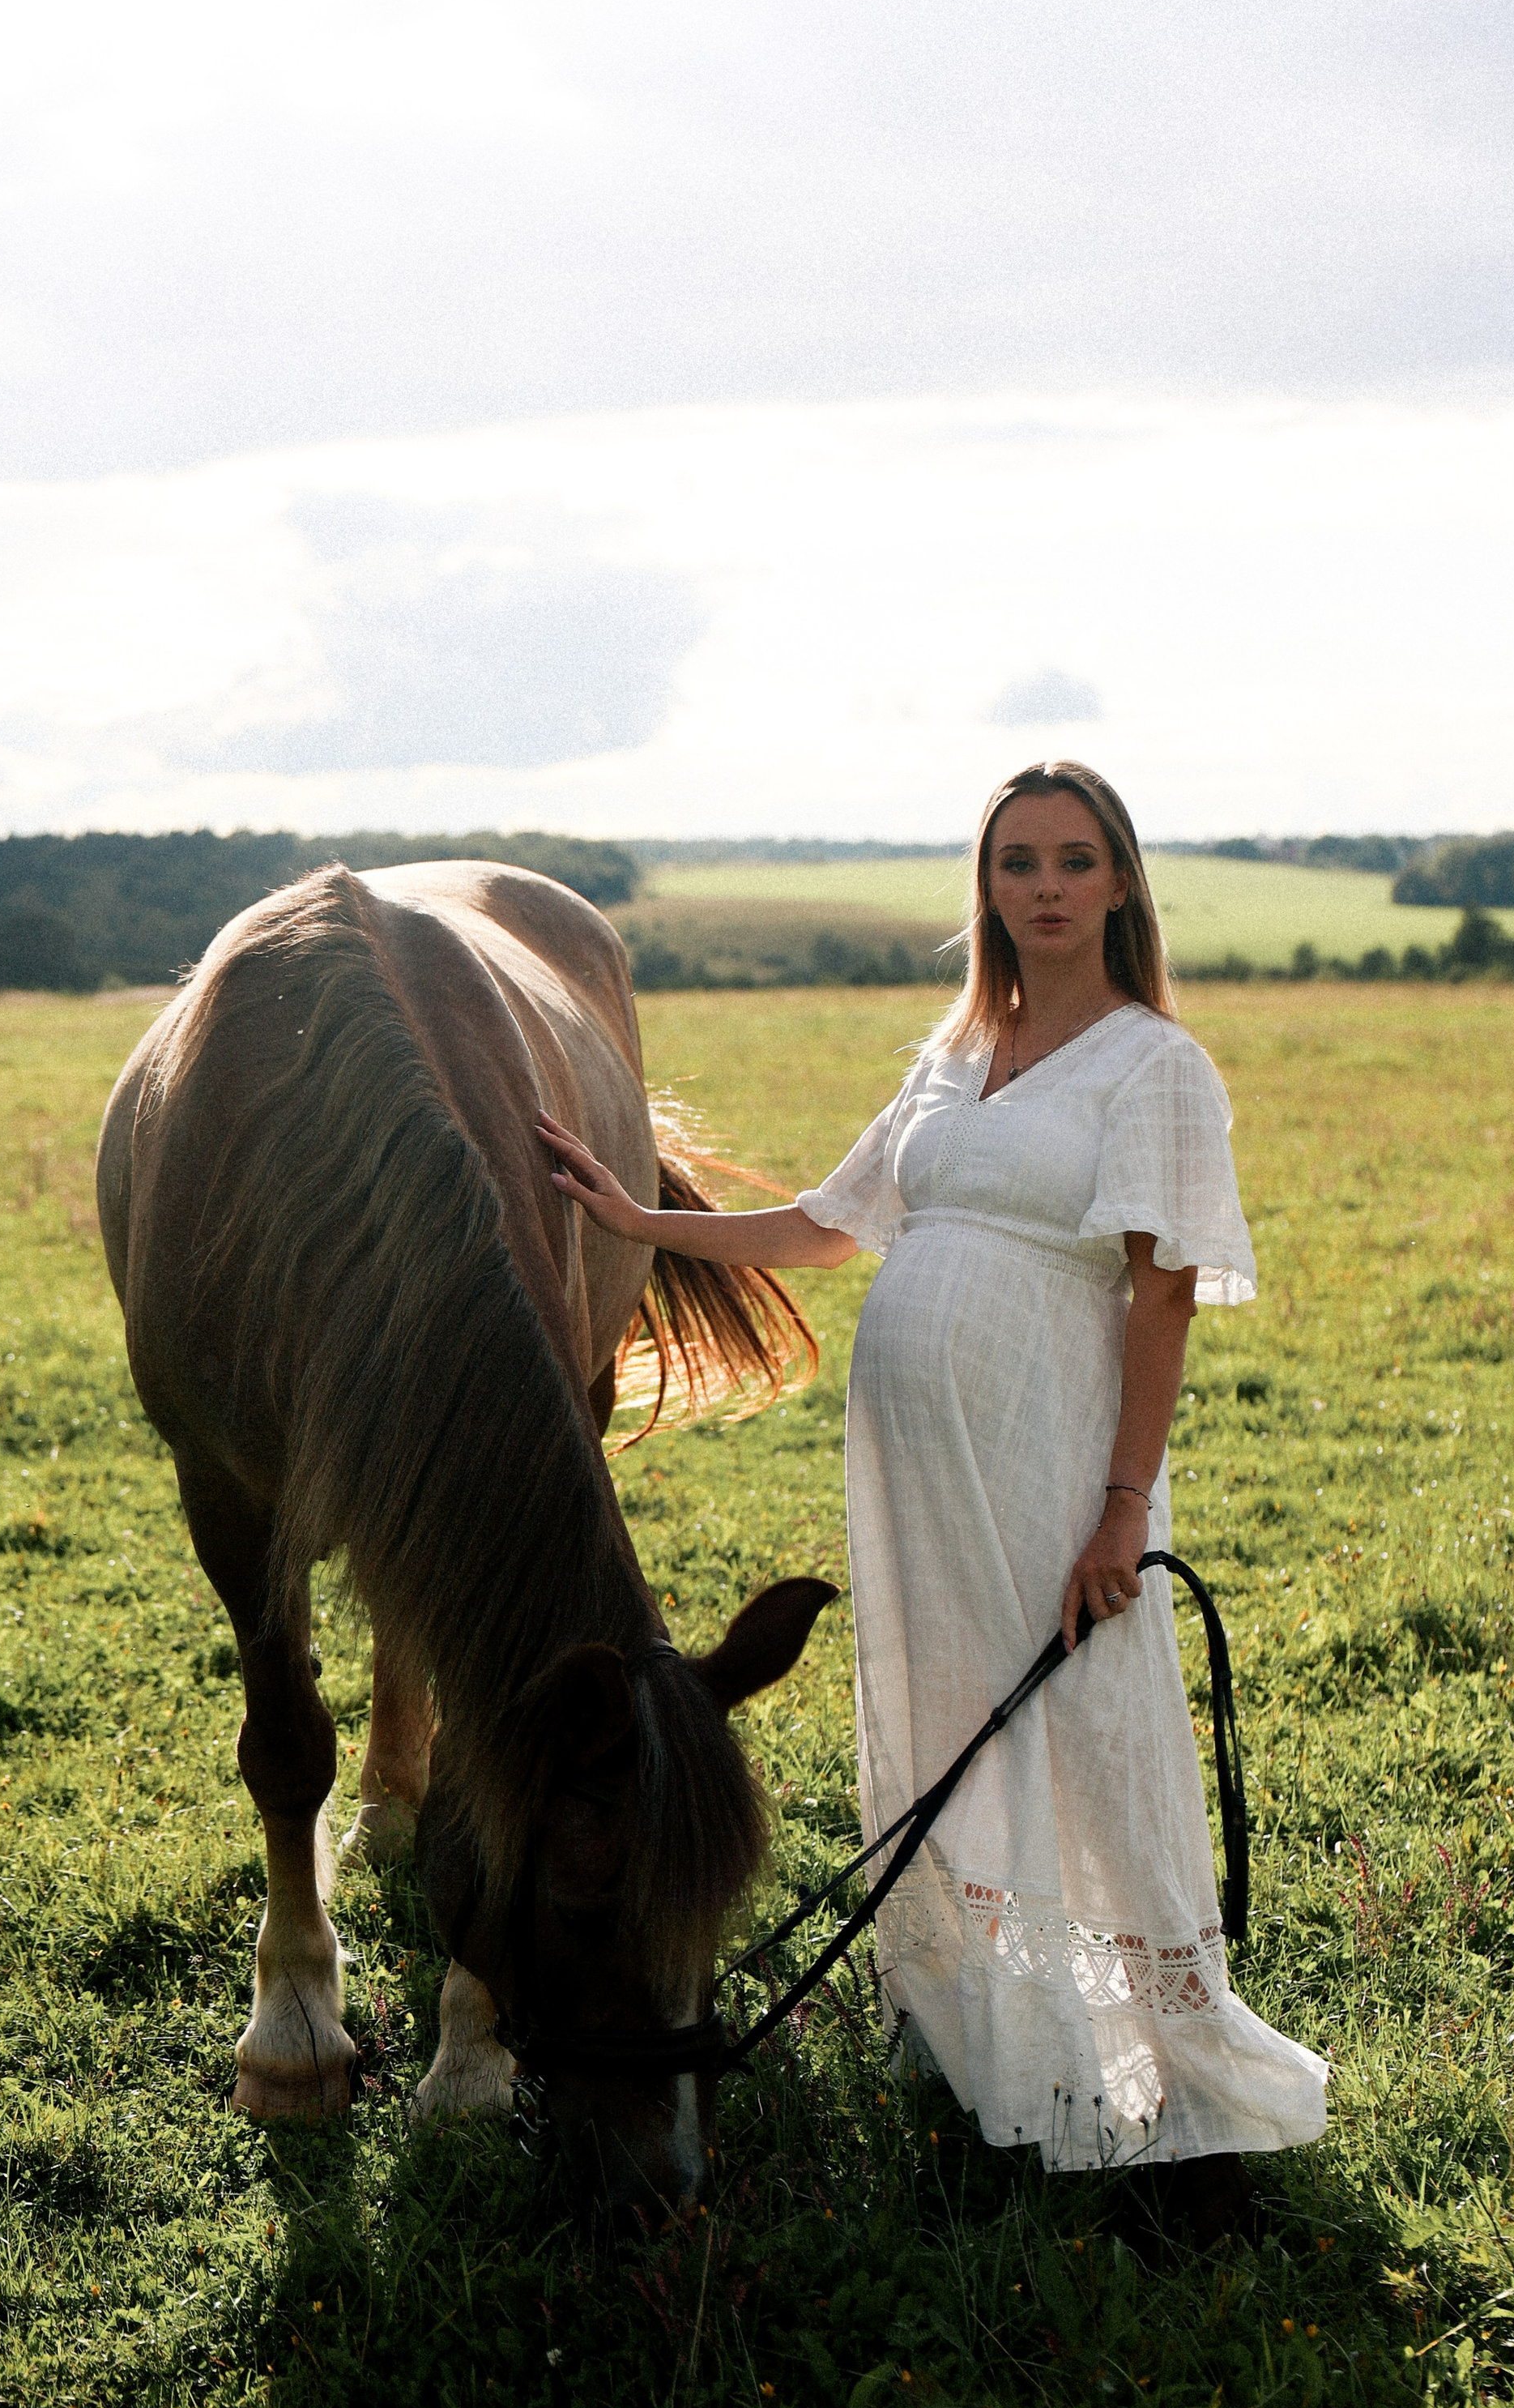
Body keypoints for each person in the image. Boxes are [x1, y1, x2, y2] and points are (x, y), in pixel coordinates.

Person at [539, 760, 1327, 2231]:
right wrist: (636, 1212)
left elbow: (1161, 1302)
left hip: (1050, 1461)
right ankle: (994, 2051)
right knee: (952, 1715)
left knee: (1083, 1723)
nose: (1042, 888)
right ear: (988, 887)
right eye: (1017, 862)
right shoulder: (956, 1053)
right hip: (915, 1476)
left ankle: (1174, 2097)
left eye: (1072, 861)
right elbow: (839, 1225)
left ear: (1120, 884)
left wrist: (1119, 1507)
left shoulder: (1157, 1066)